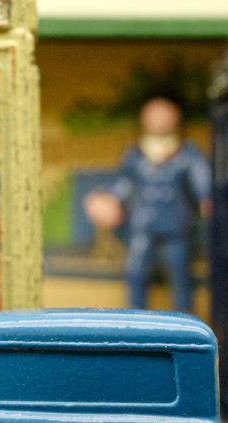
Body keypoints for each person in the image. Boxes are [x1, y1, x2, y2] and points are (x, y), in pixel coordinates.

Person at [84, 97, 212, 312]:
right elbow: (124, 182)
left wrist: (206, 196)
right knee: (136, 271)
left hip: (175, 223)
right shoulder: (135, 154)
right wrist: (112, 200)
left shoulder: (186, 152)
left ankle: (184, 319)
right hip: (142, 222)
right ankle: (135, 317)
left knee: (180, 271)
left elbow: (201, 175)